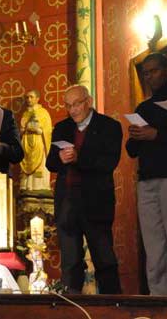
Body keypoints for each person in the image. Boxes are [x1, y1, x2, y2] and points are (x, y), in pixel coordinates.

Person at [125, 52, 167, 296]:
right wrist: (136, 135)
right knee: (153, 242)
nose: (149, 77)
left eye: (153, 71)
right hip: (147, 180)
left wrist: (156, 134)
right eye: (145, 73)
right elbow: (131, 150)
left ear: (166, 70)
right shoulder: (143, 107)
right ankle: (158, 296)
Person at [46, 84, 122, 294]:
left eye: (77, 104)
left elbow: (109, 162)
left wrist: (79, 158)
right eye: (68, 105)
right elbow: (50, 163)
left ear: (89, 102)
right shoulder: (62, 128)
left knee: (104, 259)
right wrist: (60, 158)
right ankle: (72, 306)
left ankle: (113, 306)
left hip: (95, 202)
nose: (72, 110)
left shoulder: (109, 126)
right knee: (70, 262)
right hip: (67, 202)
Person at [19, 90, 52, 192]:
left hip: (39, 144)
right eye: (27, 97)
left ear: (37, 99)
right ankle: (27, 187)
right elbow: (21, 130)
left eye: (31, 97)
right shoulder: (25, 114)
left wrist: (38, 130)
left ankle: (38, 187)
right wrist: (24, 129)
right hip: (26, 144)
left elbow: (48, 130)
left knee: (40, 168)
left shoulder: (43, 113)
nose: (29, 99)